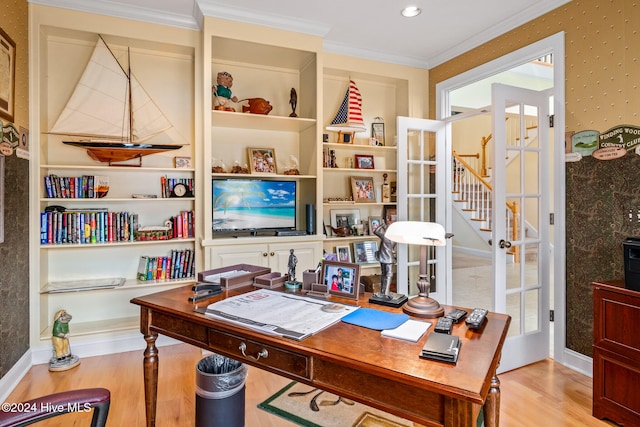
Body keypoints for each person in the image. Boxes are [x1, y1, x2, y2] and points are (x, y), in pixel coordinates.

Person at [374, 221, 395, 297]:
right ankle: (386, 292)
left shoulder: (385, 237)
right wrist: (386, 228)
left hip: (382, 258)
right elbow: (392, 248)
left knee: (384, 274)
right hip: (389, 259)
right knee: (389, 275)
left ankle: (383, 291)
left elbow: (376, 231)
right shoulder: (394, 239)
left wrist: (382, 225)